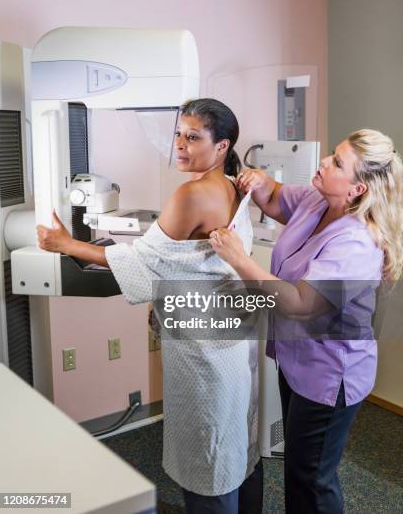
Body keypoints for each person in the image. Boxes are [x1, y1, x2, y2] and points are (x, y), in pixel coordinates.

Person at [37, 98, 263, 514]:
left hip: (201, 350)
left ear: (221, 146)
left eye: (193, 137)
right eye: (178, 133)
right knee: (232, 438)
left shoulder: (191, 194)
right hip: (229, 340)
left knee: (205, 447)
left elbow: (142, 261)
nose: (179, 144)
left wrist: (65, 243)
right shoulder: (232, 185)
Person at [209, 129, 403, 514]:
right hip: (297, 360)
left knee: (311, 478)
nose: (324, 162)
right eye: (332, 154)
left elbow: (300, 303)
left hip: (331, 374)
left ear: (357, 190)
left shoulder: (356, 243)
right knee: (299, 465)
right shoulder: (319, 200)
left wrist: (239, 259)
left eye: (336, 163)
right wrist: (261, 181)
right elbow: (278, 198)